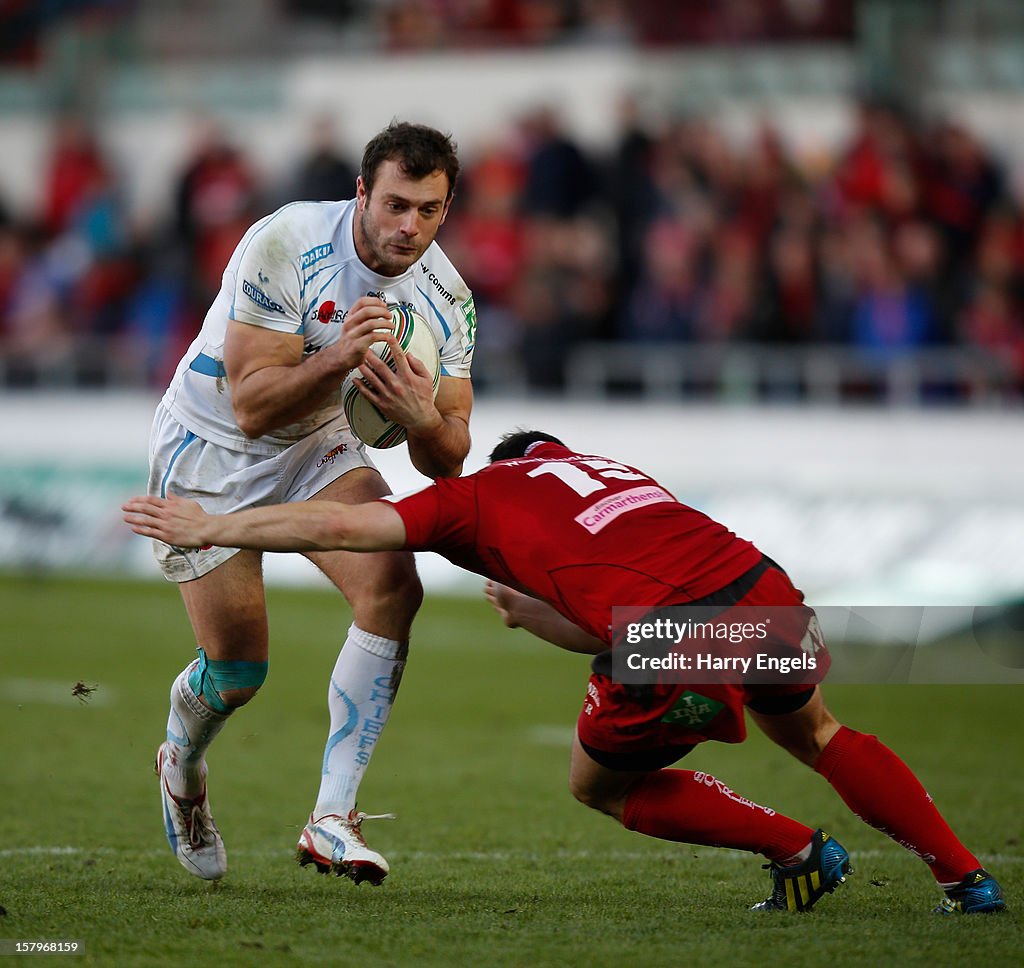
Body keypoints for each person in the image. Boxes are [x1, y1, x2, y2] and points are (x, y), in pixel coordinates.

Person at [124, 430, 1005, 915]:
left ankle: (798, 850)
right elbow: (593, 609)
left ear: (504, 460)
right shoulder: (612, 470)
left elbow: (349, 529)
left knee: (601, 786)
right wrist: (529, 605)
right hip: (762, 592)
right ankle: (967, 878)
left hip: (671, 633)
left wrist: (214, 527)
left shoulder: (479, 496)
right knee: (818, 731)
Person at [143, 120, 476, 886]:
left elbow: (449, 456)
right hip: (211, 451)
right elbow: (254, 405)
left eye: (428, 210)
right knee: (237, 675)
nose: (409, 227)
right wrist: (340, 357)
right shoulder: (285, 241)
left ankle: (331, 819)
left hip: (315, 448)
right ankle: (180, 764)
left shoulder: (447, 299)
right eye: (395, 204)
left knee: (394, 585)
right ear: (361, 193)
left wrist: (422, 415)